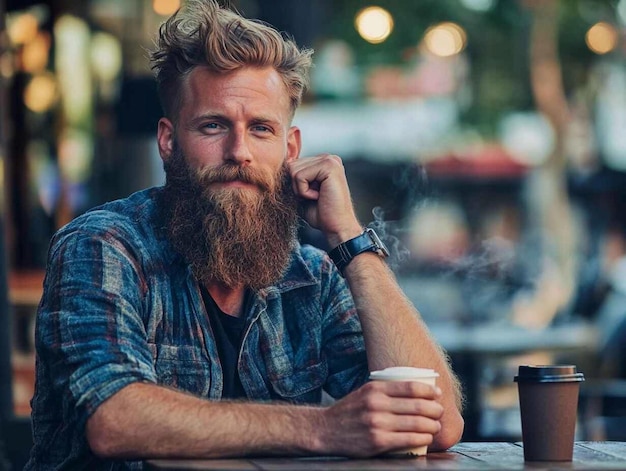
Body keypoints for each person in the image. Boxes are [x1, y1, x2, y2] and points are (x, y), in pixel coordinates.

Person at [25, 0, 464, 468]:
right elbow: (114, 420)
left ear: (289, 147)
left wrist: (351, 240)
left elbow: (438, 425)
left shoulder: (312, 277)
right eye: (213, 126)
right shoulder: (103, 247)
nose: (239, 152)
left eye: (261, 129)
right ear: (169, 141)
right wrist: (325, 427)